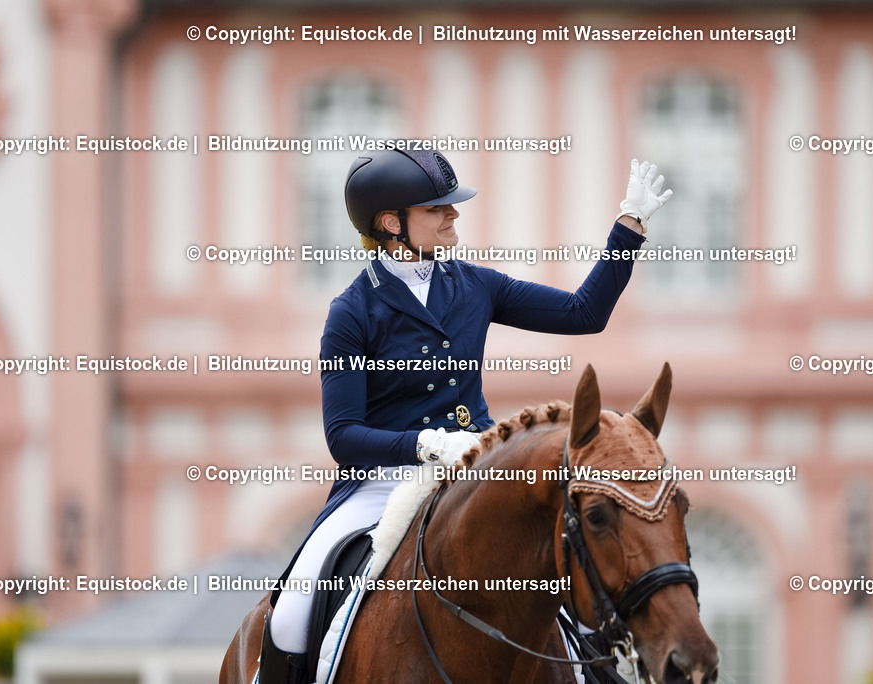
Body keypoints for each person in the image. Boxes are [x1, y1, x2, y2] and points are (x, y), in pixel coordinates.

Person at [263, 147, 671, 681]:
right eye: (437, 209)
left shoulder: (475, 284)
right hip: (383, 484)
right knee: (292, 614)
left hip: (476, 472)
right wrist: (423, 445)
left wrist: (628, 229)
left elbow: (583, 314)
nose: (453, 215)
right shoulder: (352, 312)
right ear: (392, 224)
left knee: (574, 575)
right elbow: (343, 435)